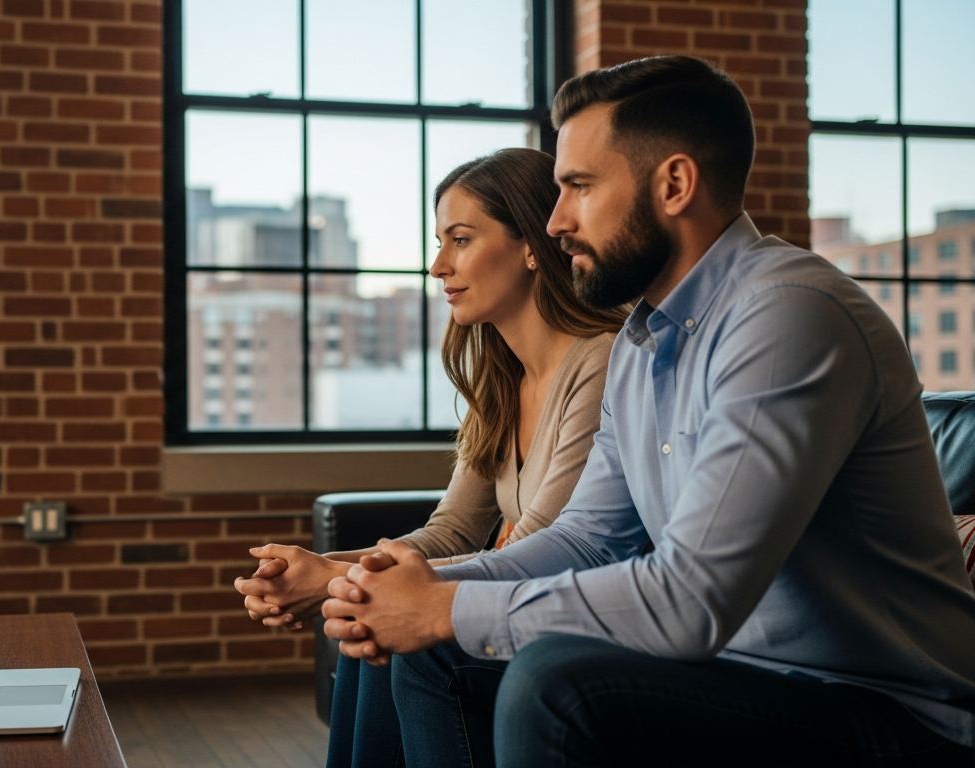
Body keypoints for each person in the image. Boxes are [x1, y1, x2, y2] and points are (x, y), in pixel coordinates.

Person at [321, 55, 975, 767]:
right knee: (419, 649)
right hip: (740, 676)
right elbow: (587, 539)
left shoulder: (788, 316)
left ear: (674, 184)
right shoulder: (642, 340)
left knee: (552, 683)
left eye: (578, 187)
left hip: (887, 713)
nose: (557, 220)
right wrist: (409, 590)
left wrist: (442, 607)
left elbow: (692, 600)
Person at [234, 148, 629, 767]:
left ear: (532, 244)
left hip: (574, 620)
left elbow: (544, 550)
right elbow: (451, 531)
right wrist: (323, 567)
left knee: (395, 630)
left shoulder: (602, 363)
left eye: (461, 240)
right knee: (373, 630)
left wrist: (341, 581)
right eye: (438, 242)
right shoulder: (500, 376)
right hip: (512, 603)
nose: (438, 265)